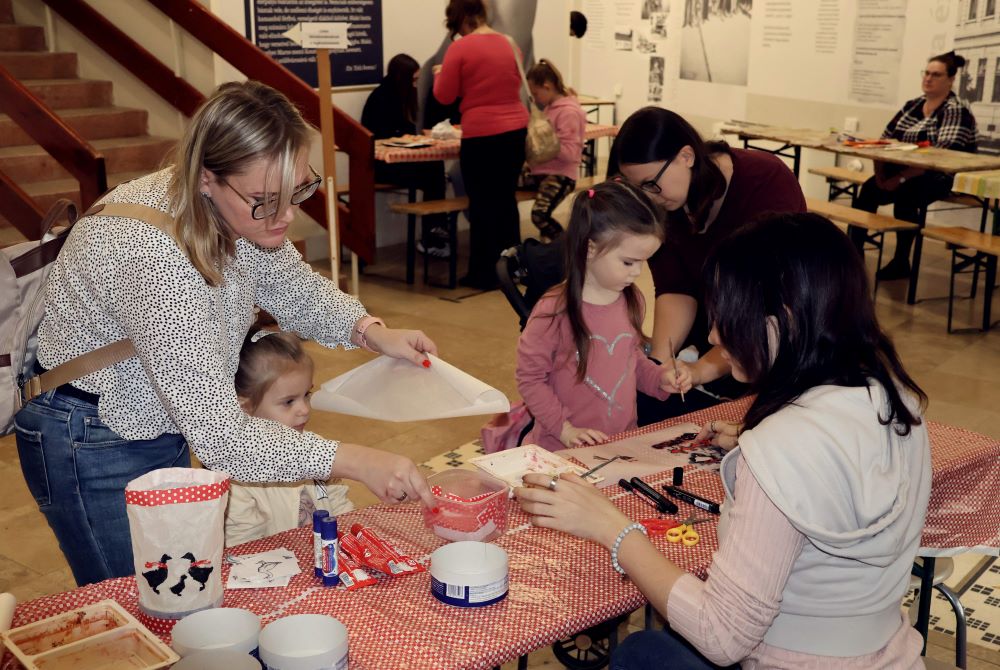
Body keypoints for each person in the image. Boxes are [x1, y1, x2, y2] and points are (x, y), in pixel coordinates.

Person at [13, 81, 438, 587]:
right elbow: (220, 436)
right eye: (265, 200)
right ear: (207, 179)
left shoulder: (230, 205)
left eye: (299, 190)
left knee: (182, 586)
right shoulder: (153, 259)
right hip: (91, 437)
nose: (285, 215)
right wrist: (356, 460)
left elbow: (289, 281)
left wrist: (369, 330)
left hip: (157, 416)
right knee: (138, 597)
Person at [516, 212, 931, 668]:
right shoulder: (896, 400)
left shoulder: (780, 448)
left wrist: (612, 529)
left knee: (641, 653)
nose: (713, 335)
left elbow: (722, 636)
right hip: (891, 655)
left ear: (781, 322)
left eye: (728, 316)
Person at [609, 107, 806, 423]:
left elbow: (763, 307)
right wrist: (660, 364)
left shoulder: (765, 182)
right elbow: (676, 288)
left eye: (650, 184)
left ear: (686, 156)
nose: (648, 198)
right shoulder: (667, 204)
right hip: (717, 339)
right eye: (637, 189)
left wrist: (701, 369)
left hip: (771, 344)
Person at [517, 181, 682, 451]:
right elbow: (530, 378)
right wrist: (564, 428)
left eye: (644, 261)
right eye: (629, 262)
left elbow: (631, 359)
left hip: (620, 443)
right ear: (590, 248)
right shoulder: (553, 311)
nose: (636, 272)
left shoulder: (632, 300)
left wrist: (658, 378)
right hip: (562, 449)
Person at [851, 51, 977, 280]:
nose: (928, 79)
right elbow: (883, 141)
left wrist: (898, 179)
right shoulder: (912, 105)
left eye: (936, 75)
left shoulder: (955, 110)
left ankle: (901, 261)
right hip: (899, 172)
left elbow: (941, 157)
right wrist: (881, 176)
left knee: (907, 196)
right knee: (869, 190)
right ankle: (852, 255)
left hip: (938, 177)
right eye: (926, 73)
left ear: (950, 80)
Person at [225, 330, 354, 547]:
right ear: (244, 408)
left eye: (306, 395)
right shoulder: (235, 481)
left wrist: (351, 539)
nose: (304, 409)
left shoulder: (315, 450)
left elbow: (340, 507)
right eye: (288, 402)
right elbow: (243, 551)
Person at [433, 0, 529, 290]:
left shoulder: (460, 48)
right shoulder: (510, 44)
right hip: (515, 130)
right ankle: (513, 267)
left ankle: (484, 273)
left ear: (459, 19)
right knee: (505, 200)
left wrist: (440, 74)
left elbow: (444, 96)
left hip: (482, 133)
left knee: (483, 204)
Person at [361, 54, 450, 258]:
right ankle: (434, 231)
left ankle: (435, 230)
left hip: (401, 160)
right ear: (402, 78)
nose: (416, 84)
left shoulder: (402, 96)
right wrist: (405, 137)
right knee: (433, 172)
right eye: (413, 79)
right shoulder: (380, 98)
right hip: (382, 166)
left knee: (435, 167)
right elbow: (381, 135)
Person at [522, 59, 586, 241]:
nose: (534, 98)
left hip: (560, 175)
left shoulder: (568, 112)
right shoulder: (551, 109)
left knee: (539, 216)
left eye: (535, 93)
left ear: (548, 86)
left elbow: (570, 153)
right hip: (542, 172)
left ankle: (564, 250)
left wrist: (544, 144)